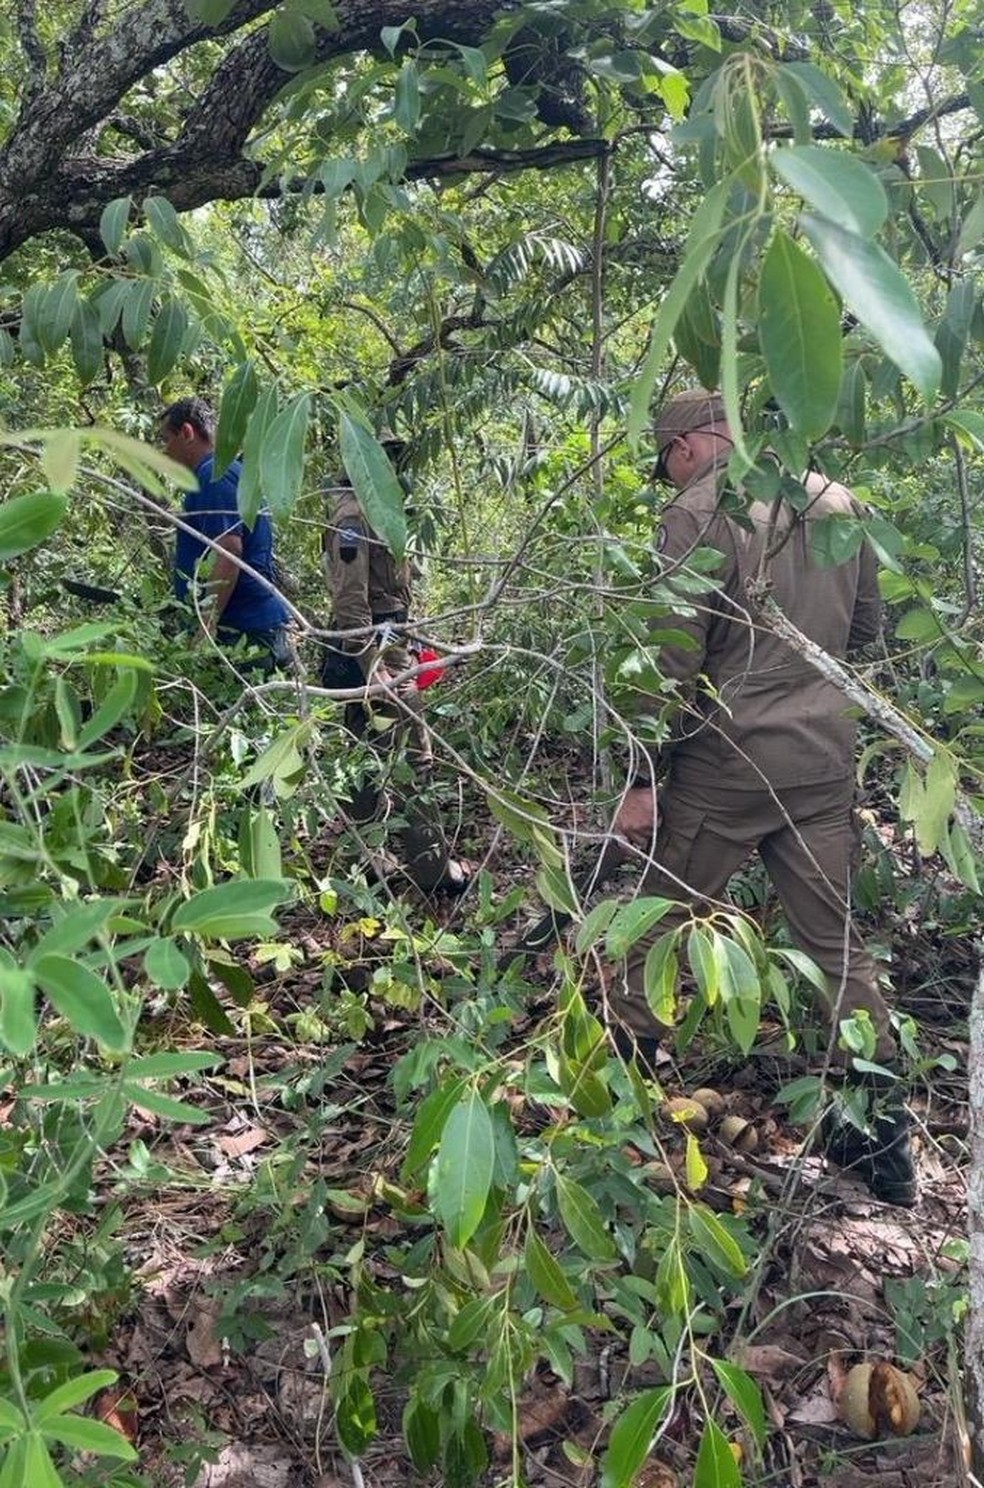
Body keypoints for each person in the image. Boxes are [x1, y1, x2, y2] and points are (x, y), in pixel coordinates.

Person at [611, 386, 915, 1206]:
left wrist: (640, 778)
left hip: (728, 762)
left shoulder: (698, 513)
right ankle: (881, 1152)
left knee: (655, 920)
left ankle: (612, 1112)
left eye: (668, 462)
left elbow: (671, 657)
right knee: (835, 948)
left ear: (684, 446)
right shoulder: (834, 498)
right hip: (823, 759)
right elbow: (865, 636)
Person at [322, 456, 470, 895]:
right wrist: (376, 669)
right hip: (372, 650)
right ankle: (431, 871)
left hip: (389, 641)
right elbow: (351, 602)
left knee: (371, 757)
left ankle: (368, 861)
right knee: (409, 757)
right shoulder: (353, 516)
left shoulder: (380, 509)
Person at [160, 396, 292, 671]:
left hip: (243, 634)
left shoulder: (214, 476)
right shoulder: (228, 472)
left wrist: (205, 628)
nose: (164, 451)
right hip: (250, 627)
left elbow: (229, 552)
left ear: (187, 433)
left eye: (166, 440)